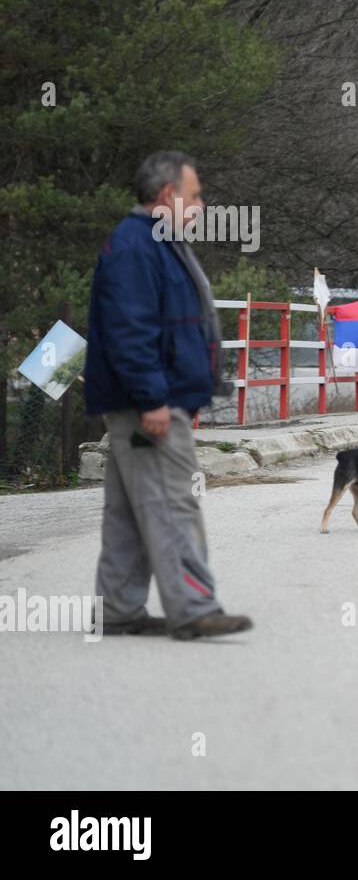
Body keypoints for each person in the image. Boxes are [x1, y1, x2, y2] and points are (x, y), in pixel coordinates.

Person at [85, 151, 252, 640]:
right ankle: (194, 607)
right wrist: (153, 398)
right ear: (166, 196)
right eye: (195, 195)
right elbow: (129, 330)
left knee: (129, 512)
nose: (201, 205)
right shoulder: (139, 246)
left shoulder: (153, 242)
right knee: (174, 503)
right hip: (151, 404)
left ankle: (117, 609)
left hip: (146, 399)